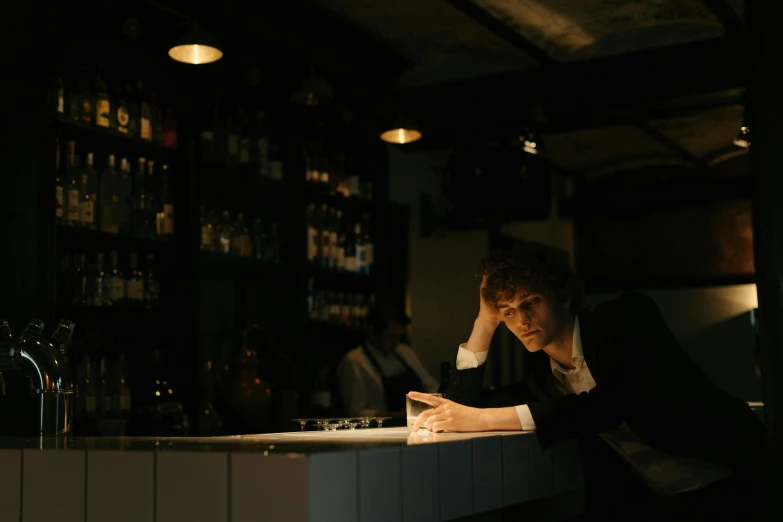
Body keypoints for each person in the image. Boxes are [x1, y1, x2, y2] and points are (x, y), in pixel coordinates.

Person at [409, 246, 766, 521]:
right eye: (509, 311)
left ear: (563, 296)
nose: (523, 320)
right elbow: (460, 405)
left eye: (531, 302)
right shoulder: (543, 379)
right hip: (658, 500)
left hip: (733, 476)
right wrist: (485, 321)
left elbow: (607, 405)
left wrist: (481, 420)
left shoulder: (625, 319)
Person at [337, 306, 438, 419]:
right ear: (372, 332)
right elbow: (356, 412)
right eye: (391, 336)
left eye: (399, 336)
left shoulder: (405, 352)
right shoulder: (354, 361)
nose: (395, 342)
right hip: (381, 429)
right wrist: (398, 416)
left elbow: (431, 386)